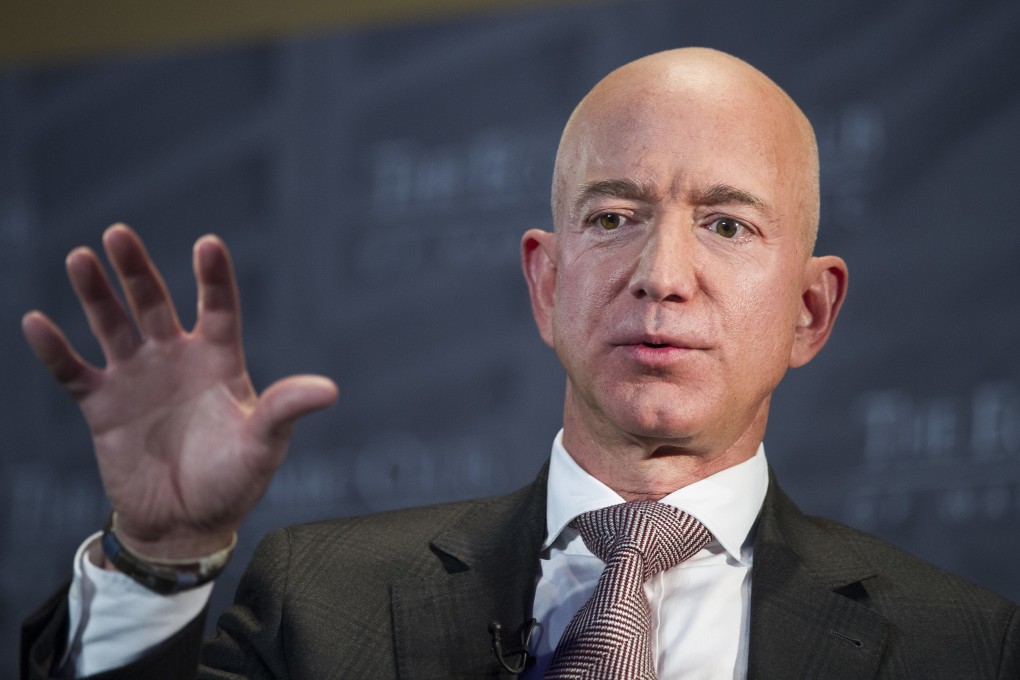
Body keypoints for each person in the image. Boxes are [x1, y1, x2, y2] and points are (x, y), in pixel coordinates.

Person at [20, 47, 1018, 679]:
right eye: (615, 217)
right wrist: (155, 559)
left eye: (724, 223)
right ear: (547, 283)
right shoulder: (320, 604)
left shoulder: (964, 647)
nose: (662, 274)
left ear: (809, 310)